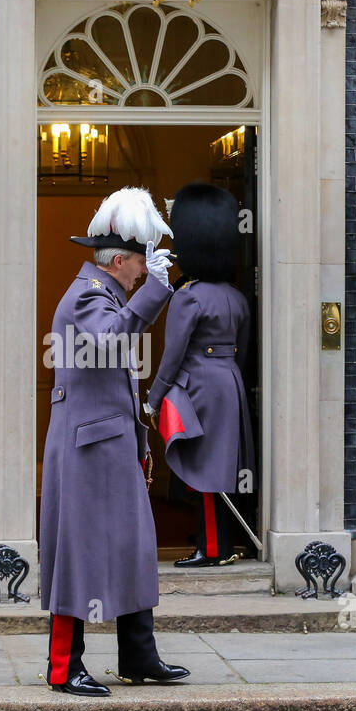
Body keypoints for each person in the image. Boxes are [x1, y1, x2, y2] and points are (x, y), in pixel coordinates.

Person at [38, 187, 192, 696]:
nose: (144, 271)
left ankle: (138, 656)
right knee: (77, 555)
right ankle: (64, 667)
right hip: (86, 448)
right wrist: (156, 291)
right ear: (119, 260)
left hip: (112, 444)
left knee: (133, 548)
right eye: (141, 263)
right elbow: (111, 342)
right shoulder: (87, 296)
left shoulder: (108, 294)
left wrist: (140, 439)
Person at [147, 182, 255, 568]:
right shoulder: (236, 296)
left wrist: (154, 397)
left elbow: (172, 355)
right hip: (230, 383)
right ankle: (219, 540)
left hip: (197, 388)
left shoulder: (187, 295)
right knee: (221, 469)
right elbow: (241, 350)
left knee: (205, 471)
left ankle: (212, 548)